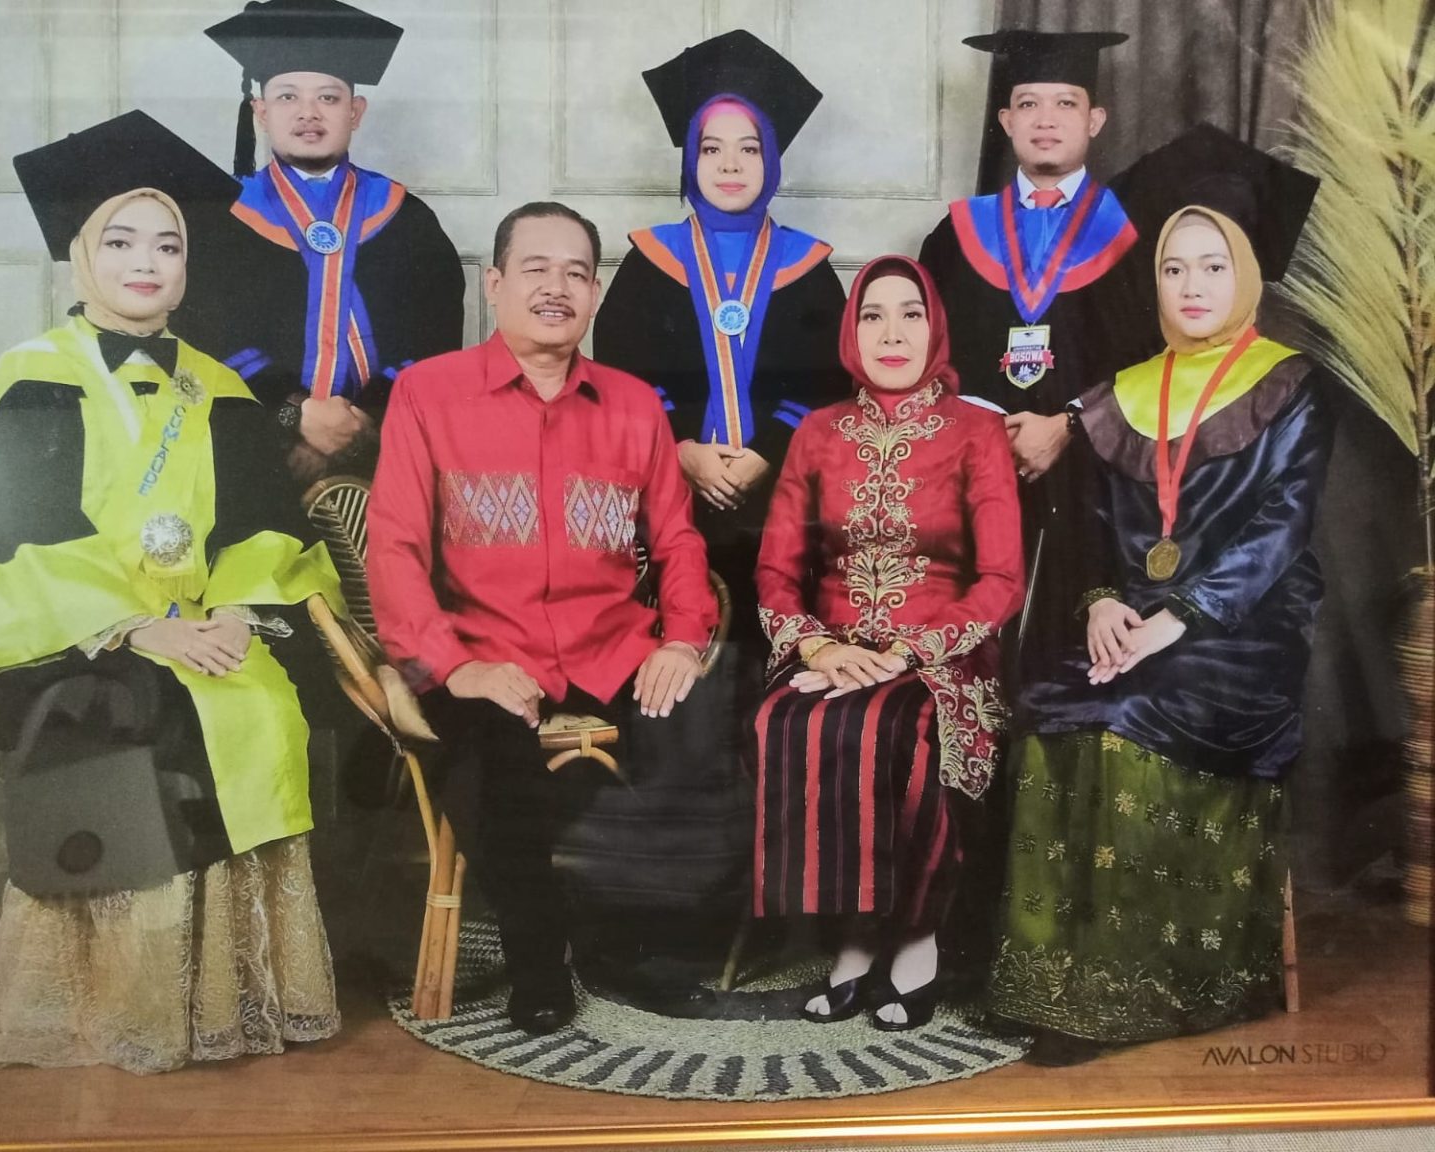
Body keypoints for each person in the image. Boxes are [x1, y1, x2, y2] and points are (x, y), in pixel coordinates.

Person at [0, 111, 345, 1074]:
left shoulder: (220, 387)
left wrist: (238, 612)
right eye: (120, 242)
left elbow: (261, 526)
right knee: (134, 705)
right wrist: (138, 628)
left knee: (259, 701)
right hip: (66, 638)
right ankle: (131, 1000)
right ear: (81, 256)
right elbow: (17, 536)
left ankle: (227, 995)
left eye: (168, 245)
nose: (146, 263)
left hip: (209, 623)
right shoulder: (35, 376)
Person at [988, 135, 1326, 1065]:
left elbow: (1280, 531)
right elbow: (1095, 528)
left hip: (1243, 628)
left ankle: (1146, 988)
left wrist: (1178, 618)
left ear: (1246, 273)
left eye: (1214, 266)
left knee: (1129, 714)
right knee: (1053, 698)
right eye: (1174, 268)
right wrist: (1103, 604)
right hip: (1134, 620)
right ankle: (1052, 979)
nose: (1191, 286)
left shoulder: (1292, 386)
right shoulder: (1120, 396)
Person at [365, 201, 723, 1034]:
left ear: (594, 295)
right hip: (483, 649)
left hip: (612, 646)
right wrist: (458, 668)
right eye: (535, 268)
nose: (556, 288)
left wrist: (681, 639)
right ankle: (539, 959)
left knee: (702, 727)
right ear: (493, 283)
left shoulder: (634, 404)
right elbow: (394, 549)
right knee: (496, 764)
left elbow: (678, 541)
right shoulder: (427, 393)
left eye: (576, 273)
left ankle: (648, 952)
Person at [754, 255, 1024, 1030]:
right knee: (789, 719)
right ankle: (853, 937)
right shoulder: (817, 433)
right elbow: (775, 571)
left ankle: (915, 937)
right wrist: (816, 649)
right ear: (852, 330)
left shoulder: (976, 431)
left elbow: (1002, 579)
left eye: (911, 314)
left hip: (943, 654)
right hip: (836, 649)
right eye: (873, 315)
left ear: (936, 328)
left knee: (900, 725)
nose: (893, 333)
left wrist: (908, 653)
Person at [593, 29, 848, 673]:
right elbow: (622, 382)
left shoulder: (809, 267)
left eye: (748, 148)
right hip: (667, 487)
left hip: (780, 490)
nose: (730, 165)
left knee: (773, 653)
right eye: (711, 148)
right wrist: (682, 448)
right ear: (690, 157)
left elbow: (827, 384)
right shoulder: (648, 262)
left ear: (772, 160)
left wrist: (766, 453)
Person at [918, 29, 1139, 666]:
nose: (1046, 119)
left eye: (1066, 103)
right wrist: (988, 434)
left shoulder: (1132, 234)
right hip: (971, 473)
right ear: (1005, 120)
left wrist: (1069, 424)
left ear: (1095, 120)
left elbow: (1154, 366)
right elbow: (922, 358)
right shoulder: (957, 233)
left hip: (1092, 483)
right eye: (1029, 103)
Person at [182, 0, 465, 483]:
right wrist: (294, 418)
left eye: (329, 98)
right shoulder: (222, 219)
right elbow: (209, 342)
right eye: (287, 97)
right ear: (260, 112)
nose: (308, 113)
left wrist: (362, 423)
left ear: (356, 112)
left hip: (385, 445)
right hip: (256, 449)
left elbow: (435, 339)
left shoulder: (407, 218)